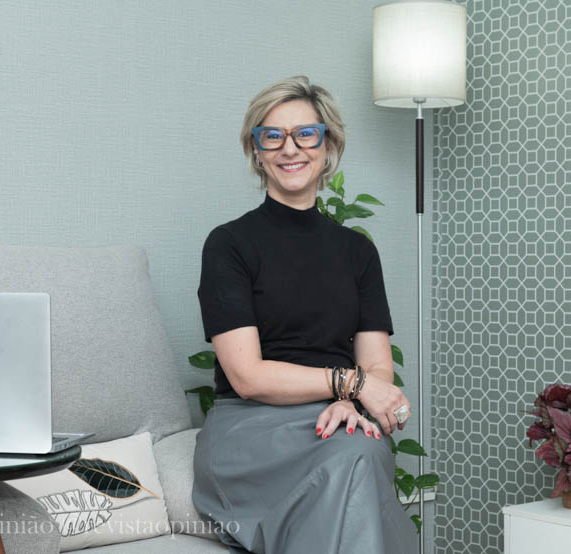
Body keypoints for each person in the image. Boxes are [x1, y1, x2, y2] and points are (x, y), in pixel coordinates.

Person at [193, 76, 416, 553]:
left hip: (337, 421)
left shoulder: (357, 252)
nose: (289, 148)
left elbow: (378, 367)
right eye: (272, 136)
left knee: (357, 449)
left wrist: (350, 403)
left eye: (305, 134)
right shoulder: (229, 245)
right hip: (250, 431)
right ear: (257, 151)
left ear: (327, 145)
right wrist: (349, 385)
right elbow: (248, 377)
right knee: (355, 457)